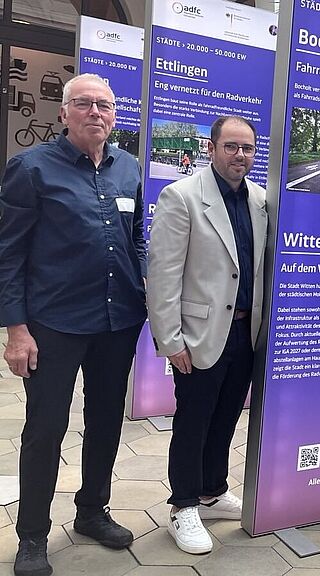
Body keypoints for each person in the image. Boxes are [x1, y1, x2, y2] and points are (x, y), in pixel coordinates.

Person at [0, 73, 146, 576]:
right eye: (84, 104)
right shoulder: (31, 168)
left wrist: (148, 288)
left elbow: (136, 239)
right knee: (45, 428)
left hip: (117, 320)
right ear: (63, 113)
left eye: (104, 105)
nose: (96, 113)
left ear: (114, 114)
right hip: (54, 324)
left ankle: (91, 511)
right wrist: (15, 329)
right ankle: (32, 536)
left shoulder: (129, 168)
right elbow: (9, 252)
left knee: (106, 421)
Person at [147, 116, 267, 554]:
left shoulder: (259, 200)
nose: (240, 156)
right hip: (198, 335)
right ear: (212, 148)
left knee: (226, 417)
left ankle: (212, 491)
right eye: (232, 147)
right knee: (193, 421)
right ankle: (182, 505)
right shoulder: (181, 197)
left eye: (248, 148)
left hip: (244, 333)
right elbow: (163, 275)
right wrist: (170, 340)